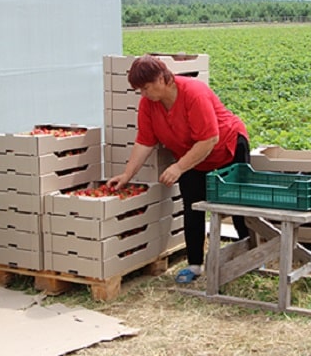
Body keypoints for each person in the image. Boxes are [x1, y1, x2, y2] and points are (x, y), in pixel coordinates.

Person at [107, 54, 250, 284]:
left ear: (163, 79)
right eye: (139, 90)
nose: (143, 94)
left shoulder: (194, 93)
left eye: (146, 88)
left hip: (227, 148)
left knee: (239, 205)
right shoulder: (148, 105)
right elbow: (144, 141)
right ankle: (195, 265)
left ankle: (252, 254)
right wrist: (127, 174)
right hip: (192, 156)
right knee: (191, 206)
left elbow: (209, 139)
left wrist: (179, 166)